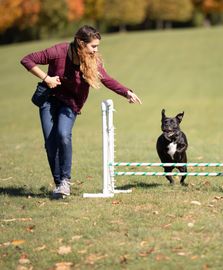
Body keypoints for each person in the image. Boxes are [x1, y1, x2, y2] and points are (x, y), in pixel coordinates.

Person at [20, 25, 142, 198]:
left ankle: (65, 181)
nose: (96, 50)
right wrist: (46, 78)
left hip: (71, 103)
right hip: (49, 99)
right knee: (50, 143)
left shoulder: (92, 61)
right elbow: (27, 59)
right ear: (80, 43)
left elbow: (106, 79)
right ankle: (59, 184)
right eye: (93, 46)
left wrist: (126, 92)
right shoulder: (59, 51)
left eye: (97, 46)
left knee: (63, 134)